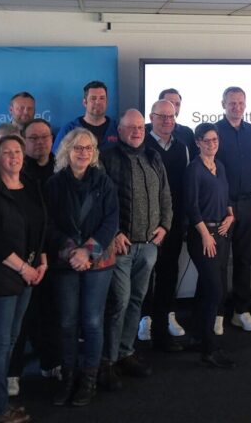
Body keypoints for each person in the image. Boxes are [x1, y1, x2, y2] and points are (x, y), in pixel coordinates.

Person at [98, 108, 173, 390]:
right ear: (119, 130)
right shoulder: (106, 158)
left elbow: (165, 194)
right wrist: (114, 233)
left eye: (140, 127)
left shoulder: (153, 156)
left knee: (136, 300)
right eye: (131, 127)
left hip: (149, 245)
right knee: (118, 301)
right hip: (120, 246)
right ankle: (107, 360)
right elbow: (100, 201)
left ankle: (126, 352)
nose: (137, 131)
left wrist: (165, 225)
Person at [0, 135, 47, 423]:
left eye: (17, 151)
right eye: (7, 152)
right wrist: (23, 268)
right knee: (0, 343)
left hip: (29, 272)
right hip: (2, 276)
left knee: (12, 339)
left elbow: (41, 225)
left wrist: (42, 260)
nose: (14, 156)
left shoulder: (30, 186)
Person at [46, 128, 119, 407]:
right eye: (78, 147)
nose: (84, 153)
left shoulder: (104, 181)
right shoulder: (54, 184)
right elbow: (48, 223)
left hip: (98, 261)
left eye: (89, 148)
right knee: (66, 322)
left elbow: (111, 220)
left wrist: (87, 251)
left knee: (92, 322)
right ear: (67, 150)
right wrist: (71, 252)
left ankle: (89, 379)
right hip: (65, 261)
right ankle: (68, 378)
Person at [7, 118, 61, 394]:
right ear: (23, 141)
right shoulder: (15, 170)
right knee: (20, 319)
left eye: (45, 137)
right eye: (34, 138)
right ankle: (12, 372)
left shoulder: (62, 165)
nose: (40, 142)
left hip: (57, 253)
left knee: (52, 312)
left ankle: (50, 363)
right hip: (23, 257)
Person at [214, 86, 251, 332]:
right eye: (232, 103)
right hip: (221, 207)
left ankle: (241, 311)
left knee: (244, 260)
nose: (237, 107)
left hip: (248, 204)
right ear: (223, 104)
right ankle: (217, 312)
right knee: (219, 262)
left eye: (240, 103)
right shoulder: (214, 131)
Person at [184, 123, 236, 368]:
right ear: (198, 142)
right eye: (207, 140)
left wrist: (231, 216)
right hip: (203, 236)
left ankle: (197, 337)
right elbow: (191, 206)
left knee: (206, 288)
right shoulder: (193, 169)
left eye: (215, 140)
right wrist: (205, 234)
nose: (212, 144)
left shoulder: (220, 166)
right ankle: (209, 349)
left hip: (221, 233)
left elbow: (225, 196)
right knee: (215, 291)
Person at [143, 99, 193, 351]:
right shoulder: (141, 144)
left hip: (172, 223)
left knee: (168, 273)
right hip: (145, 225)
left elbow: (185, 187)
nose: (166, 121)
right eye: (161, 116)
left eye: (171, 117)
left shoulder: (182, 147)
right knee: (144, 275)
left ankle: (163, 324)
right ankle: (144, 320)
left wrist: (182, 220)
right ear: (151, 117)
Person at [54, 81, 120, 152]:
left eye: (102, 98)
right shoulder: (69, 130)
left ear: (106, 102)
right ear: (85, 102)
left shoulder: (117, 128)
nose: (98, 102)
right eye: (93, 98)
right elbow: (57, 156)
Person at [0, 92, 36, 162]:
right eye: (21, 108)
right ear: (11, 110)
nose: (26, 112)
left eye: (30, 108)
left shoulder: (42, 135)